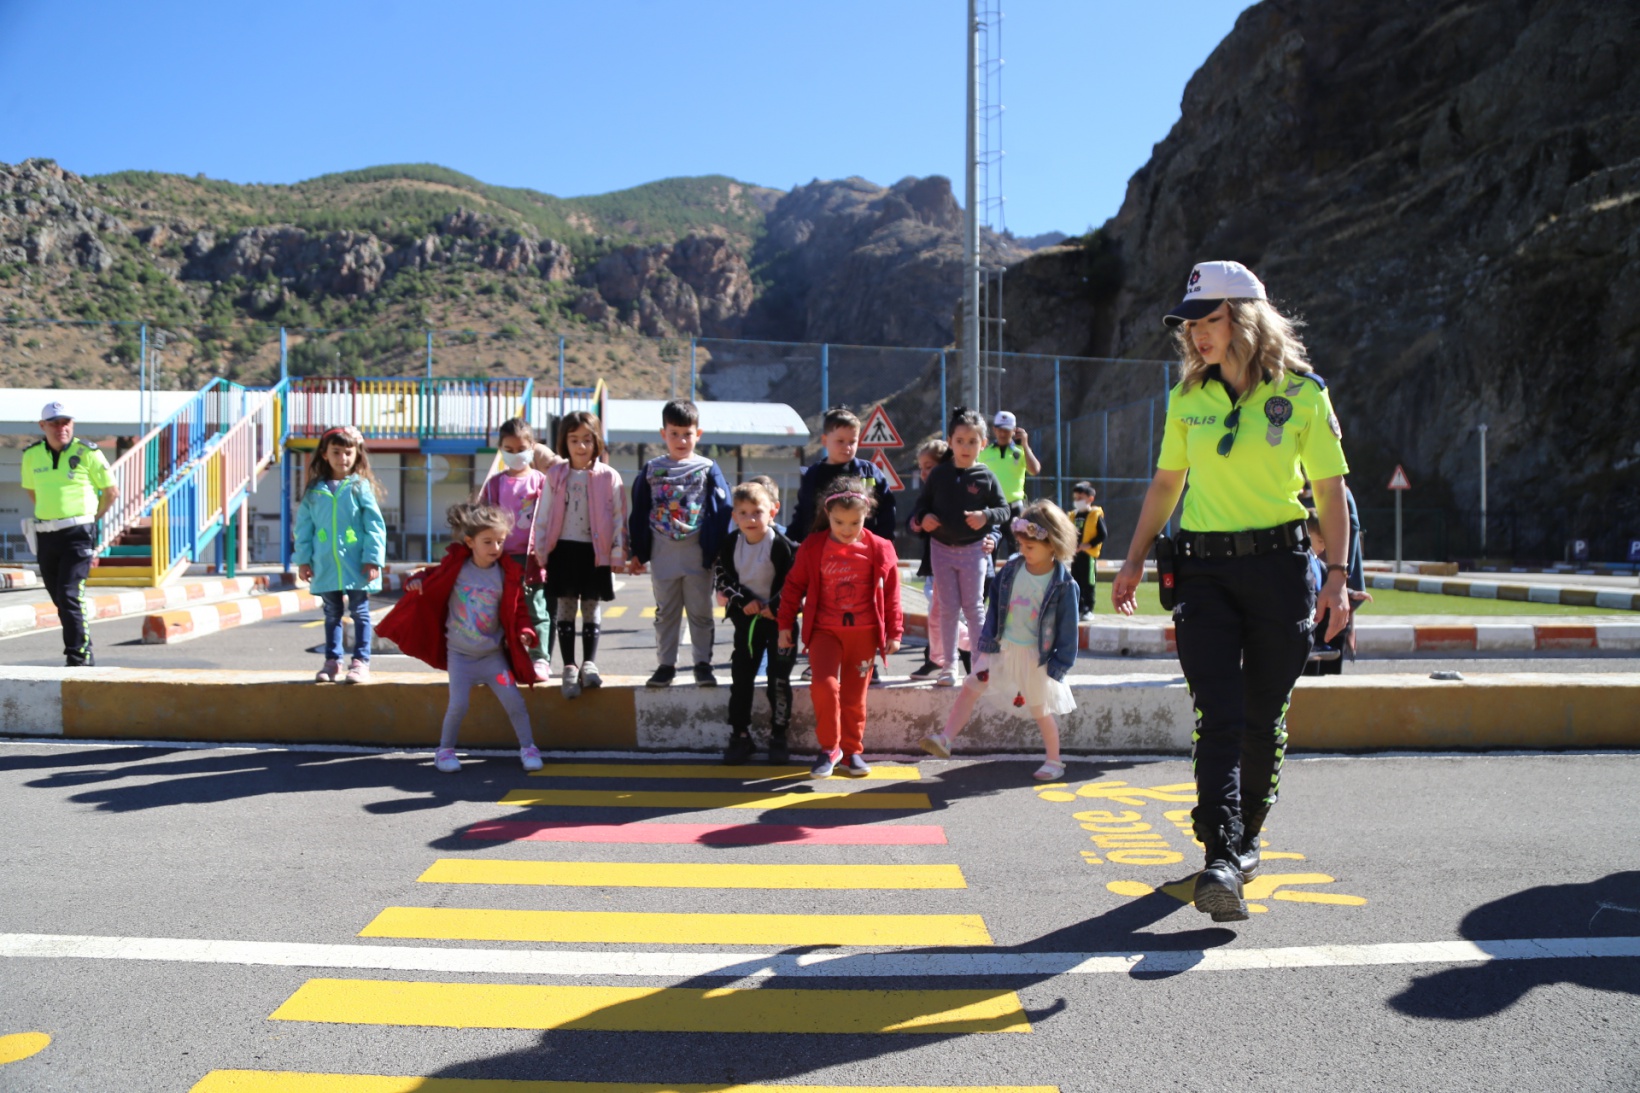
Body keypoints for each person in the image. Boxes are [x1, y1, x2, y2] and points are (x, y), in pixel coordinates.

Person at [1111, 259, 1351, 924]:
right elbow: (1166, 484)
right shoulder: (1186, 397)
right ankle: (1221, 852)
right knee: (1217, 713)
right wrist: (1131, 559)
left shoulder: (1303, 393)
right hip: (1203, 573)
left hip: (1281, 569)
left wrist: (1338, 578)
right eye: (1189, 323)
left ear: (1244, 317)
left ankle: (1243, 839)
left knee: (1260, 716)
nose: (1195, 335)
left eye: (1207, 319)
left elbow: (1331, 493)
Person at [921, 500, 1080, 780]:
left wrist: (1059, 666)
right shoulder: (1011, 571)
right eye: (1021, 546)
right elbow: (995, 610)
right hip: (1002, 650)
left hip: (1034, 656)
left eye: (1030, 547)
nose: (1024, 552)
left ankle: (1055, 761)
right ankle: (946, 739)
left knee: (1039, 709)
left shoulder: (1064, 585)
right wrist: (986, 647)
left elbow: (1068, 631)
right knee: (971, 685)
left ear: (1053, 545)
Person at [378, 504, 543, 774]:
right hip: (460, 657)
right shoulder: (457, 566)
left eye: (500, 541)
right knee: (458, 705)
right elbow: (430, 575)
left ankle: (528, 747)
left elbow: (519, 611)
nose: (495, 547)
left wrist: (526, 632)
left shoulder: (507, 575)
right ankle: (445, 750)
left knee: (514, 701)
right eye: (487, 541)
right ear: (470, 542)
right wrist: (417, 581)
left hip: (493, 658)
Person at [778, 476, 903, 778]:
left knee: (854, 697)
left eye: (854, 523)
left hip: (864, 635)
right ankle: (829, 749)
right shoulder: (813, 547)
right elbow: (794, 586)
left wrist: (895, 632)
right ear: (827, 515)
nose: (846, 530)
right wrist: (784, 624)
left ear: (866, 515)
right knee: (823, 685)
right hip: (825, 632)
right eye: (839, 522)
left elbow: (892, 593)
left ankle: (852, 752)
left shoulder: (880, 547)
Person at [626, 399, 732, 688]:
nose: (681, 440)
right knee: (666, 612)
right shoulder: (650, 470)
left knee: (700, 612)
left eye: (687, 433)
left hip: (699, 553)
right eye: (674, 433)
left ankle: (702, 665)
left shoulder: (709, 468)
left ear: (699, 434)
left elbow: (724, 512)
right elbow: (638, 511)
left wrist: (719, 552)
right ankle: (665, 665)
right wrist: (638, 551)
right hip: (662, 553)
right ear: (663, 434)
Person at [910, 408, 1011, 687]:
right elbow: (921, 506)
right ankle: (949, 667)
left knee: (974, 608)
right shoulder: (939, 475)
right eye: (960, 440)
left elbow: (1004, 510)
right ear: (950, 441)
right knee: (947, 609)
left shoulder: (986, 476)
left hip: (973, 552)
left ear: (984, 443)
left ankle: (980, 665)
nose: (966, 447)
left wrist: (985, 517)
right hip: (941, 550)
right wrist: (923, 518)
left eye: (972, 441)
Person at [20, 401, 118, 667]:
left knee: (69, 594)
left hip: (78, 532)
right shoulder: (31, 455)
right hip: (46, 534)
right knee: (58, 598)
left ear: (72, 424)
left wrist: (91, 520)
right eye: (54, 423)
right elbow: (32, 491)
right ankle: (79, 650)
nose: (61, 428)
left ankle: (79, 656)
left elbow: (110, 492)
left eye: (66, 422)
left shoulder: (88, 452)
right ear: (43, 426)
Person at [538, 411, 626, 699]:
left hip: (595, 551)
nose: (581, 446)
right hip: (562, 549)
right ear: (564, 442)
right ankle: (568, 667)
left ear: (597, 441)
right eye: (574, 440)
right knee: (565, 606)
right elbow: (543, 515)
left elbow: (617, 517)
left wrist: (616, 553)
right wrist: (540, 551)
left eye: (587, 440)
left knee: (591, 605)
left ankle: (589, 663)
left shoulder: (609, 476)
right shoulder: (555, 475)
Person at [293, 426, 387, 684]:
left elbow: (375, 526)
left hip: (357, 563)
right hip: (325, 564)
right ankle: (333, 661)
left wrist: (373, 558)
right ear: (324, 454)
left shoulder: (360, 487)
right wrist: (303, 559)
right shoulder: (314, 492)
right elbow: (303, 529)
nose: (342, 458)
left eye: (348, 452)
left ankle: (360, 662)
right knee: (332, 613)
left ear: (357, 454)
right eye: (336, 452)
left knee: (360, 612)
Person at [713, 480, 797, 765]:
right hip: (747, 623)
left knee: (778, 679)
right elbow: (723, 578)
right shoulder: (729, 544)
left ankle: (779, 735)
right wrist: (744, 599)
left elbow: (796, 582)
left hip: (780, 624)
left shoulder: (784, 546)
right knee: (742, 678)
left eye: (757, 512)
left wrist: (776, 607)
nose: (750, 519)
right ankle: (740, 735)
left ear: (772, 512)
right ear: (734, 516)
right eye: (743, 512)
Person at [478, 418, 552, 677]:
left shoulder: (541, 481)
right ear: (500, 449)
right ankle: (502, 658)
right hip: (501, 560)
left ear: (532, 447)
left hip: (533, 558)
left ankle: (540, 657)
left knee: (535, 608)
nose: (515, 455)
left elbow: (551, 518)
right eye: (508, 450)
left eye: (521, 449)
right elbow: (483, 520)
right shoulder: (494, 484)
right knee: (501, 609)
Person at [790, 408, 898, 543]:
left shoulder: (869, 473)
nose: (847, 447)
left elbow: (886, 511)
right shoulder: (813, 475)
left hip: (863, 550)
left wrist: (882, 544)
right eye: (840, 441)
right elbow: (803, 514)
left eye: (852, 442)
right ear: (824, 440)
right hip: (821, 551)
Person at [907, 439, 949, 681]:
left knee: (950, 614)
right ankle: (937, 660)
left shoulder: (956, 491)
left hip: (961, 565)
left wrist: (991, 540)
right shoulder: (926, 494)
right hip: (934, 566)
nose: (923, 473)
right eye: (921, 467)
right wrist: (919, 521)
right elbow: (913, 519)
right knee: (937, 611)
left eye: (929, 467)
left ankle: (978, 653)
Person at [977, 410, 1041, 518]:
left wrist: (1025, 445)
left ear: (1014, 431)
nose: (1002, 434)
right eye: (1000, 429)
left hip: (1015, 509)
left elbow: (1035, 470)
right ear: (994, 430)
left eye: (1006, 430)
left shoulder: (1022, 451)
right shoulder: (984, 453)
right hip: (992, 508)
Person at [1070, 482, 1108, 621]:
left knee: (1088, 582)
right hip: (1076, 555)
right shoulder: (1073, 516)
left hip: (1088, 556)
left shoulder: (1095, 515)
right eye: (1076, 497)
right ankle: (1078, 608)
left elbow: (1102, 534)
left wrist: (1088, 545)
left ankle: (1088, 608)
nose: (1077, 500)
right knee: (1075, 581)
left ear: (1090, 499)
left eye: (1081, 497)